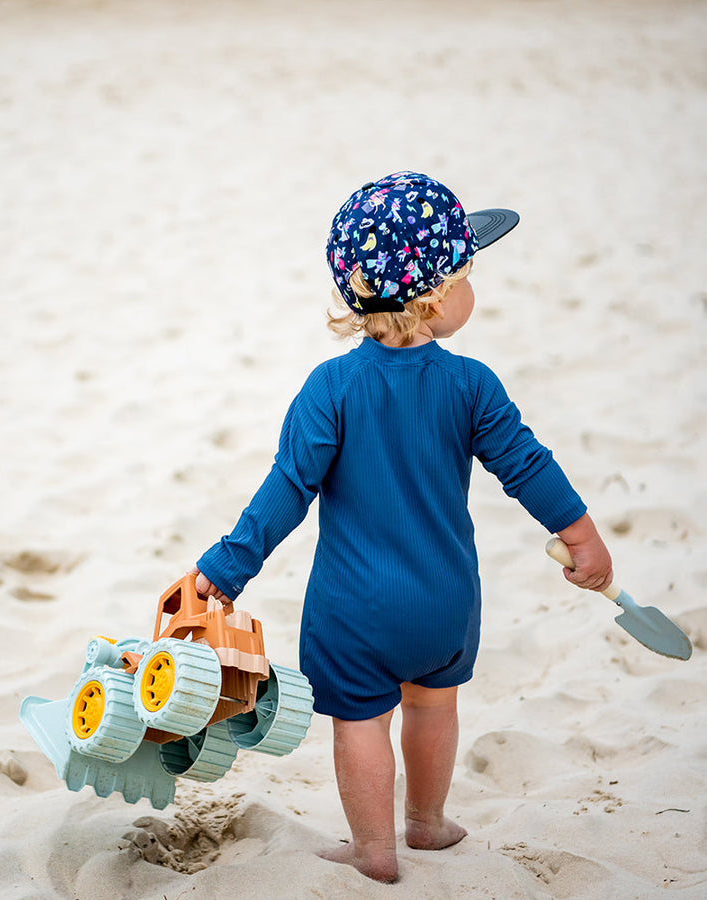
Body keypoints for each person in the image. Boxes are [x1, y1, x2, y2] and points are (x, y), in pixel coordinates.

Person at [192, 171, 613, 883]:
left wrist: (228, 566)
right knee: (432, 707)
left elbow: (288, 488)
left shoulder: (331, 387)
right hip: (445, 601)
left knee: (360, 722)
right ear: (438, 297)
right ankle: (426, 820)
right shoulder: (471, 384)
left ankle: (373, 849)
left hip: (353, 608)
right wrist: (581, 536)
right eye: (469, 274)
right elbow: (527, 466)